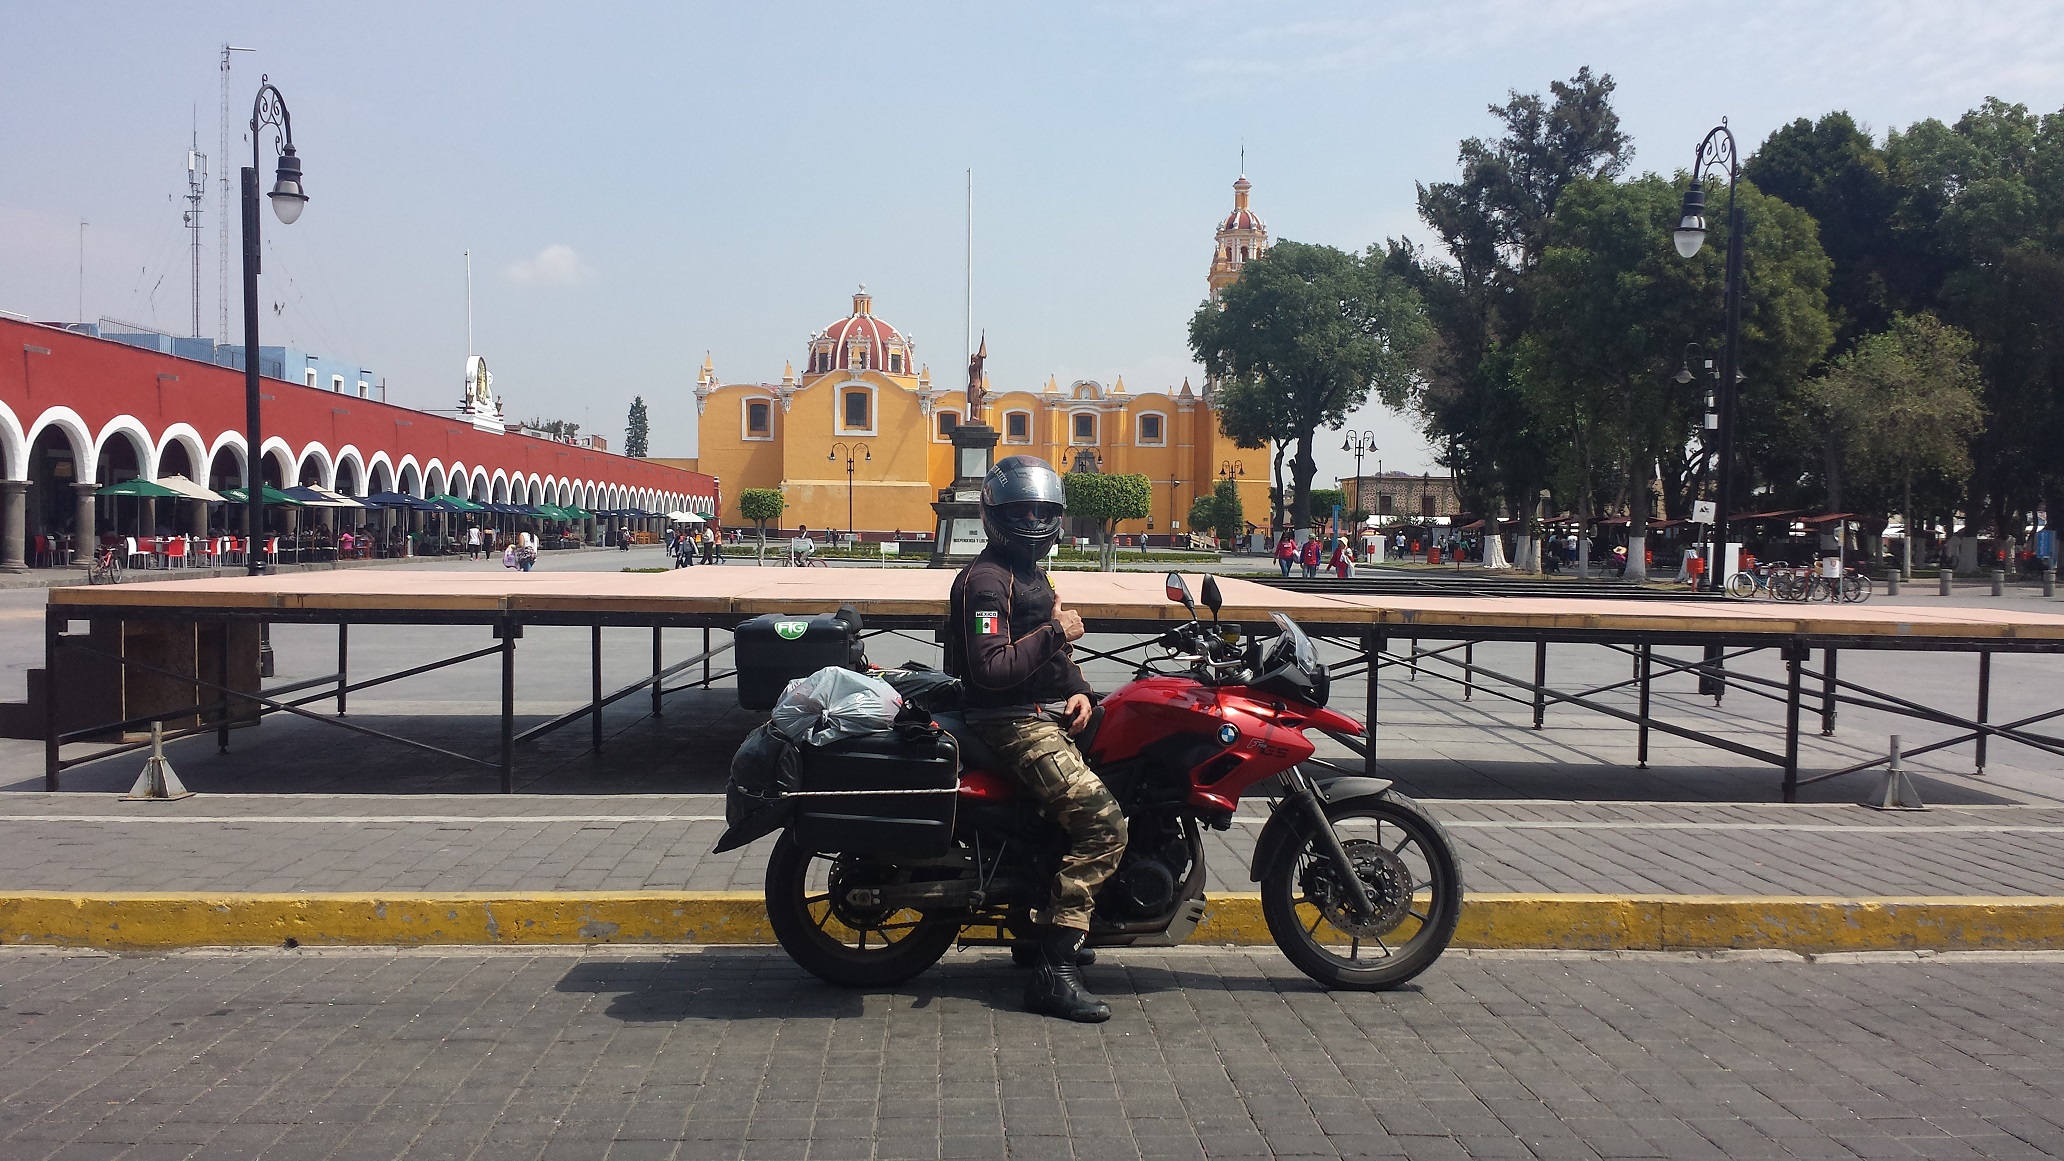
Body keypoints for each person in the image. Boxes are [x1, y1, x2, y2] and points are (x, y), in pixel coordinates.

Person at [943, 455, 1124, 1023]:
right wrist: (1057, 631)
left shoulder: (1027, 573)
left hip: (1041, 708)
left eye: (1041, 511)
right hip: (1009, 720)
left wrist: (1081, 690)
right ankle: (1054, 969)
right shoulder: (986, 582)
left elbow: (1050, 655)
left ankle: (1040, 924)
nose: (1031, 520)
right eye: (1020, 510)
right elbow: (992, 668)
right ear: (994, 515)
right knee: (1102, 823)